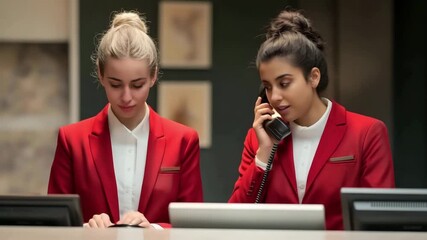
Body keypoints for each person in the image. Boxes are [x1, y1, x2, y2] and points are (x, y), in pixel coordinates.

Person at [228, 9, 395, 230]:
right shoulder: (259, 139)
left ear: (313, 77)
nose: (275, 97)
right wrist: (263, 156)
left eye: (284, 83)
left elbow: (379, 222)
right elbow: (235, 219)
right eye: (267, 87)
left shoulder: (366, 133)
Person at [48, 11, 203, 228]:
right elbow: (54, 224)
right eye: (115, 84)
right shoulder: (72, 140)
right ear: (100, 74)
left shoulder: (183, 140)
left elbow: (193, 224)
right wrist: (84, 227)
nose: (127, 97)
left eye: (137, 85)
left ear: (153, 76)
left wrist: (154, 229)